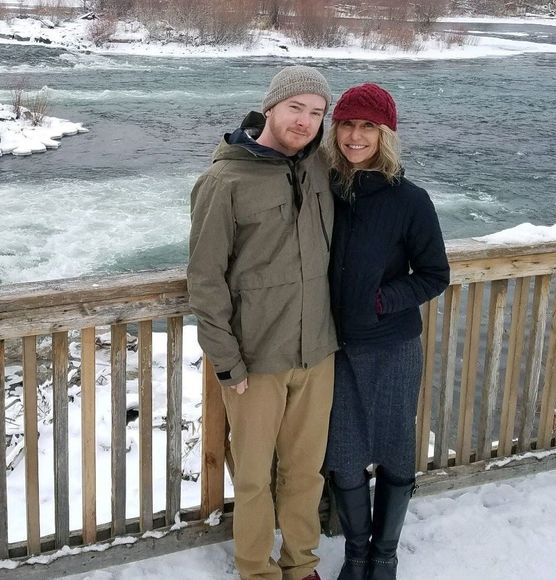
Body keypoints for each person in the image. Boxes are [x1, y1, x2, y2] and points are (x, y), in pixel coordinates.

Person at [187, 66, 337, 580]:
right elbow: (205, 280)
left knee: (305, 471)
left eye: (316, 112)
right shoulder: (222, 181)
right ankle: (256, 570)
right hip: (255, 360)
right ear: (270, 107)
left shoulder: (320, 169)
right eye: (295, 107)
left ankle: (301, 563)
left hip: (317, 351)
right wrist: (227, 362)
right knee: (253, 478)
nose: (305, 121)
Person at [325, 83, 450, 580]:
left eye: (367, 127)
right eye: (347, 125)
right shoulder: (326, 190)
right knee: (343, 454)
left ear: (385, 135)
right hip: (335, 349)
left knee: (396, 450)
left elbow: (434, 274)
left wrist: (380, 301)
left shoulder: (410, 200)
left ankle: (384, 555)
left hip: (392, 346)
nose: (355, 136)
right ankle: (357, 554)